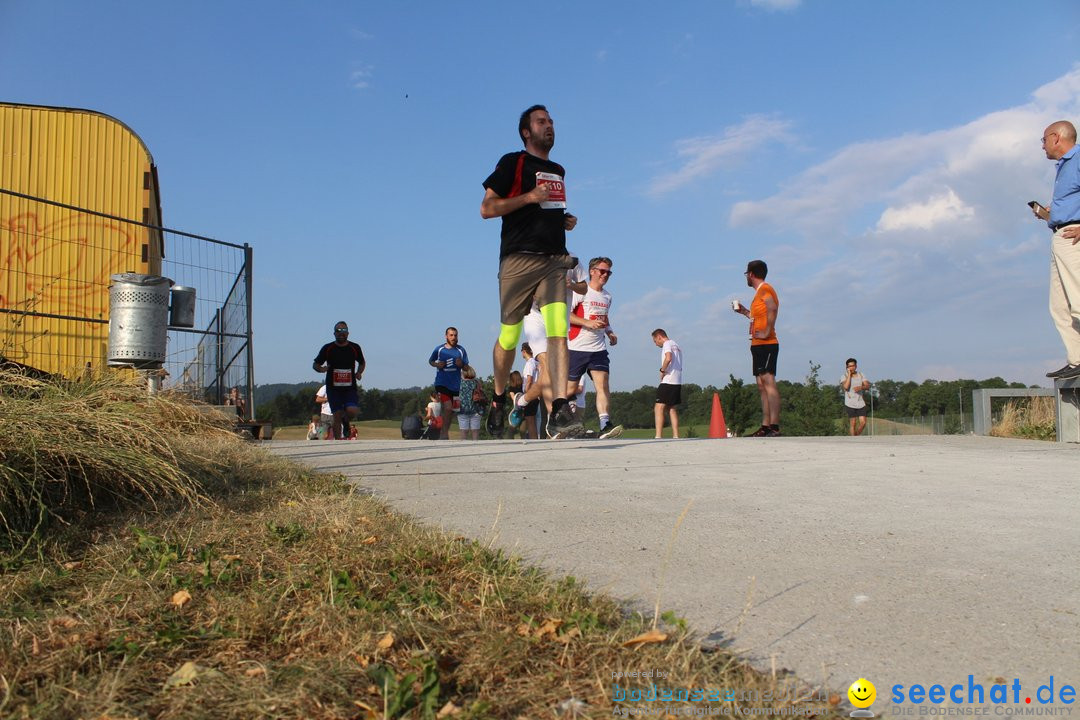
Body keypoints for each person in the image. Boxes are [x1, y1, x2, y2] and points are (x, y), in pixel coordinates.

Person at [481, 104, 583, 439]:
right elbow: (487, 208)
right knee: (509, 336)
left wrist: (563, 220)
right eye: (542, 121)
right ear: (527, 131)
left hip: (554, 260)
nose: (550, 125)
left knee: (558, 331)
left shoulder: (558, 169)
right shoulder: (513, 162)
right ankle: (498, 398)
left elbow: (548, 209)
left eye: (552, 120)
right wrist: (528, 197)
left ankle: (559, 409)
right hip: (518, 260)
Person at [1035, 120, 1080, 380]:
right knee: (1060, 305)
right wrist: (1048, 214)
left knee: (1077, 299)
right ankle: (1076, 359)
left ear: (1055, 137)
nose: (1042, 146)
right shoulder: (1063, 167)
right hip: (1060, 234)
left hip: (1074, 236)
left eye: (1043, 140)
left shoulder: (1078, 158)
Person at [566, 256, 622, 439]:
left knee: (603, 384)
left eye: (609, 272)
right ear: (592, 271)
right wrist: (586, 323)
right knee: (570, 389)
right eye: (602, 271)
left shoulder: (607, 296)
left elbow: (604, 318)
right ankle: (560, 421)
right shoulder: (580, 292)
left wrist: (610, 332)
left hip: (598, 349)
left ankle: (605, 423)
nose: (606, 275)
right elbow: (565, 316)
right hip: (577, 346)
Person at [733, 260, 780, 437]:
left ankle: (774, 426)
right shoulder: (758, 294)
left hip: (768, 343)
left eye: (747, 273)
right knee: (761, 385)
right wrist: (745, 312)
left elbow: (772, 308)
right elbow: (757, 316)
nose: (746, 276)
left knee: (768, 382)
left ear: (751, 274)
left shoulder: (766, 289)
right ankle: (765, 426)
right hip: (757, 344)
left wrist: (767, 331)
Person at [312, 321, 365, 440]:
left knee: (352, 410)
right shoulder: (328, 348)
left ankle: (345, 421)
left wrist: (359, 372)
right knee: (336, 415)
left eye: (344, 331)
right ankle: (337, 443)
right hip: (333, 388)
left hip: (349, 387)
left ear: (348, 333)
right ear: (334, 333)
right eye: (339, 331)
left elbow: (362, 362)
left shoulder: (354, 347)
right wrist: (321, 369)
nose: (341, 333)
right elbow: (315, 364)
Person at [428, 327, 469, 440]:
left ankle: (444, 431)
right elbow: (430, 361)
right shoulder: (439, 349)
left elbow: (467, 368)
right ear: (446, 336)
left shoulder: (461, 350)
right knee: (448, 407)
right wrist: (437, 365)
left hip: (456, 385)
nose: (453, 337)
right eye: (451, 335)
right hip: (442, 383)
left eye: (455, 335)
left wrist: (462, 365)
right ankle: (443, 434)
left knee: (452, 411)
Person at [651, 329, 683, 439]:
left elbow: (668, 357)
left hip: (668, 380)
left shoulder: (667, 344)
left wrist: (662, 370)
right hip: (677, 381)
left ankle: (658, 436)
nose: (656, 344)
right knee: (671, 408)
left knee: (658, 407)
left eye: (655, 341)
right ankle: (676, 435)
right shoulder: (676, 345)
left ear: (659, 337)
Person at [509, 343, 542, 439]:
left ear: (524, 351)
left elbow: (529, 380)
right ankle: (537, 438)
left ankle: (533, 440)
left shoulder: (529, 363)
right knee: (536, 420)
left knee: (530, 420)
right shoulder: (537, 363)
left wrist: (526, 394)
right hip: (538, 393)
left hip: (531, 394)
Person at [841, 358, 871, 436]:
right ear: (847, 367)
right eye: (850, 366)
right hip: (850, 403)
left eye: (853, 366)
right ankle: (853, 439)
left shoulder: (861, 375)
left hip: (860, 402)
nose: (852, 368)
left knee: (863, 423)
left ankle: (855, 436)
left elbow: (867, 386)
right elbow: (846, 387)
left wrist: (861, 387)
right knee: (853, 423)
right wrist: (849, 375)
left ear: (856, 366)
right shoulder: (844, 376)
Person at [456, 365, 483, 440]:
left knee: (463, 431)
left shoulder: (459, 382)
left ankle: (464, 448)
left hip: (462, 409)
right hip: (476, 409)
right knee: (475, 431)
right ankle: (475, 447)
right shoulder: (477, 382)